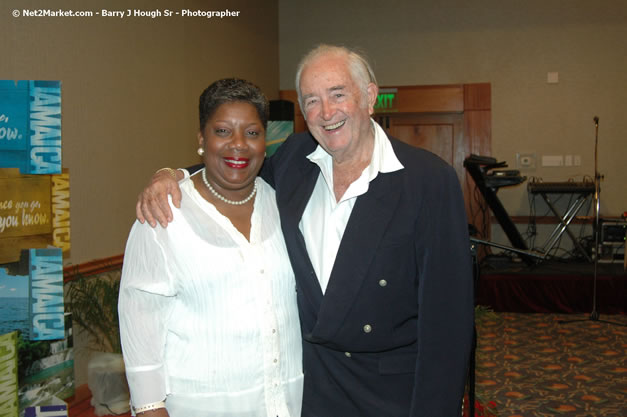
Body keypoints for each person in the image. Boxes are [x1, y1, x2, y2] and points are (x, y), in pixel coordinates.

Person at [137, 45, 474, 417]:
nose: (326, 113)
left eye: (338, 94)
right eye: (311, 100)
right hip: (308, 391)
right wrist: (173, 174)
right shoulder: (297, 159)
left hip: (389, 394)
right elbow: (234, 166)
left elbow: (448, 321)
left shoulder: (427, 180)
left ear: (370, 96)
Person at [119, 78, 303, 417]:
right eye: (222, 131)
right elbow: (140, 337)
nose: (239, 145)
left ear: (266, 141)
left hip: (284, 405)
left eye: (251, 133)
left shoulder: (286, 206)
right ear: (201, 139)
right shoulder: (164, 215)